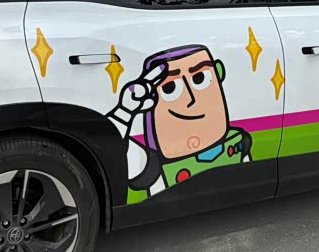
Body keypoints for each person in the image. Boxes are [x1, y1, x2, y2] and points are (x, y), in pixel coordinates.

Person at [106, 45, 251, 196]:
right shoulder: (152, 167)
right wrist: (125, 112)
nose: (191, 99)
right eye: (169, 87)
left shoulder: (237, 142)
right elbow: (116, 151)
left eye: (200, 78)